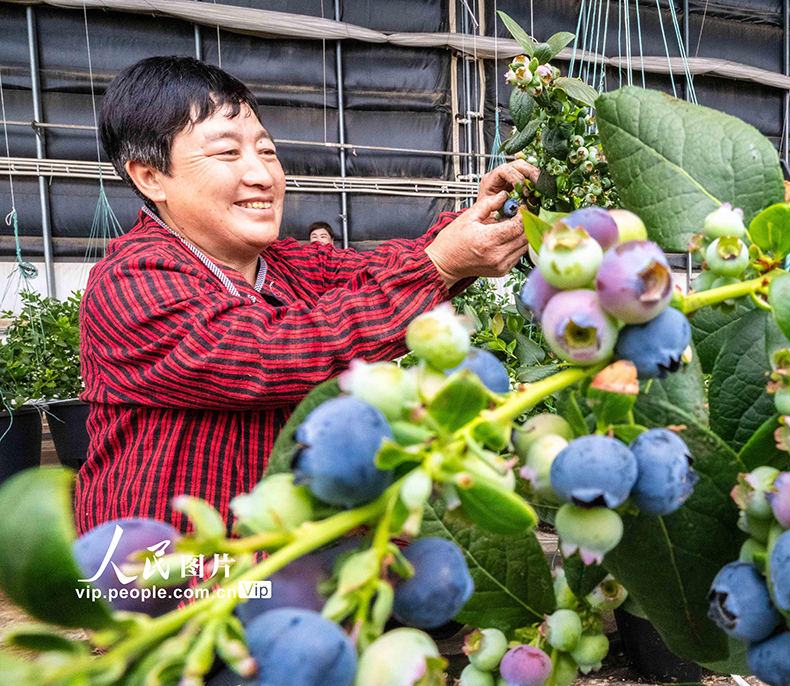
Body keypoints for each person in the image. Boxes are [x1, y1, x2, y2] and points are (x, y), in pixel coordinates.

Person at [76, 56, 538, 534]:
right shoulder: (130, 281)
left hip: (296, 557)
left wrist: (475, 220)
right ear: (151, 176)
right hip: (174, 570)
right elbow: (273, 355)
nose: (262, 175)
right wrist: (439, 265)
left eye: (267, 151)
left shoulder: (284, 264)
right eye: (227, 153)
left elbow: (383, 269)